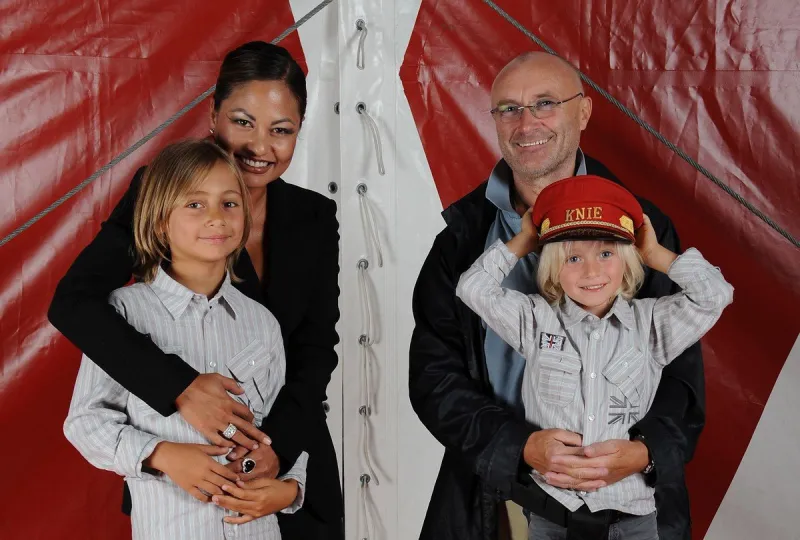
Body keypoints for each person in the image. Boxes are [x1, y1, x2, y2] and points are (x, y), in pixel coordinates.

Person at [49, 42, 343, 539]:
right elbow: (73, 305)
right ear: (212, 114)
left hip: (286, 467)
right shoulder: (161, 192)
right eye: (243, 122)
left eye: (281, 130)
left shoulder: (313, 216)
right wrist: (179, 388)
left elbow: (315, 349)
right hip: (186, 489)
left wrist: (279, 453)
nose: (259, 147)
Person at [409, 51, 706, 540]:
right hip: (504, 494)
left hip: (625, 494)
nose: (525, 123)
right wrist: (519, 447)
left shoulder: (643, 228)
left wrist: (646, 450)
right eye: (508, 108)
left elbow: (682, 375)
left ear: (583, 112)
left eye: (545, 103)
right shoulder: (463, 239)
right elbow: (433, 377)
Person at [456, 175, 733, 539]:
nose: (591, 271)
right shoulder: (537, 320)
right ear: (554, 266)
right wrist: (521, 243)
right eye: (573, 257)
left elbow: (715, 294)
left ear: (627, 259)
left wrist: (657, 255)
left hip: (631, 520)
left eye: (606, 253)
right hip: (554, 515)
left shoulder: (651, 325)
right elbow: (471, 288)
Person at [64, 139, 308, 539]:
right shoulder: (124, 314)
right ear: (161, 221)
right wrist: (162, 455)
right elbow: (86, 422)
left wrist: (289, 486)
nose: (216, 217)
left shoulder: (262, 323)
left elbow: (283, 426)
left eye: (229, 203)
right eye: (195, 204)